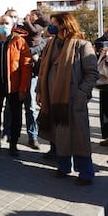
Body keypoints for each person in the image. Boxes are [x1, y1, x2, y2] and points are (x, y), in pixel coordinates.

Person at [36, 12, 98, 186]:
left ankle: (86, 172)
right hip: (53, 99)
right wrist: (39, 91)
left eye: (55, 23)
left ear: (65, 25)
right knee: (60, 135)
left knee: (79, 137)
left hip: (72, 100)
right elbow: (42, 71)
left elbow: (92, 74)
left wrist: (80, 93)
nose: (51, 27)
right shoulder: (50, 45)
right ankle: (63, 167)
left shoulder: (82, 45)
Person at [0, 15, 32, 157]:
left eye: (7, 23)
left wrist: (24, 87)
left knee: (15, 115)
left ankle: (13, 143)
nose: (4, 25)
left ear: (12, 25)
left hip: (14, 86)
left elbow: (26, 65)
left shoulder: (19, 42)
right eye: (1, 23)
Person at [21, 9, 49, 150]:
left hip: (32, 76)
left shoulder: (41, 38)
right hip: (17, 74)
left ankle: (33, 136)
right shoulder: (20, 31)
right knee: (10, 108)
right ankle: (7, 133)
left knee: (31, 108)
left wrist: (31, 55)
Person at [94, 28, 108, 147]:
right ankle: (107, 136)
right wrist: (100, 52)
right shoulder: (101, 41)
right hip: (105, 81)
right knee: (104, 110)